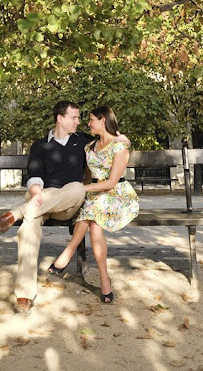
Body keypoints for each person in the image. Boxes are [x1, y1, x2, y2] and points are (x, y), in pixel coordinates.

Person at [0, 100, 128, 315]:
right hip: (40, 200)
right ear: (60, 118)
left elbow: (109, 139)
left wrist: (122, 138)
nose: (79, 121)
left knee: (77, 188)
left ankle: (15, 212)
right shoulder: (40, 145)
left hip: (68, 203)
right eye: (74, 117)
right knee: (27, 228)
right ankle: (24, 295)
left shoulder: (83, 141)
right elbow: (35, 176)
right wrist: (36, 193)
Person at [48, 105, 139, 303]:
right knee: (95, 225)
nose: (87, 124)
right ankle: (105, 282)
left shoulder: (120, 147)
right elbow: (89, 179)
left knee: (93, 209)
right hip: (96, 198)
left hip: (118, 197)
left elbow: (112, 183)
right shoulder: (89, 147)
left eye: (91, 120)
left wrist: (82, 190)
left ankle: (68, 251)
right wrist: (80, 190)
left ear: (103, 121)